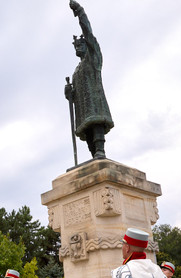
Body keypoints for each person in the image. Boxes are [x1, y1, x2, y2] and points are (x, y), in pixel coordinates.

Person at [64, 0, 114, 159]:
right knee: (87, 128)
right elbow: (74, 95)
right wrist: (69, 94)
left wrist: (79, 12)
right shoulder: (76, 71)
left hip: (95, 104)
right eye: (76, 47)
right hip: (83, 108)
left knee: (95, 123)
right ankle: (94, 154)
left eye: (80, 45)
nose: (78, 49)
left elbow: (88, 31)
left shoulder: (93, 58)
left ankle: (100, 150)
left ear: (87, 45)